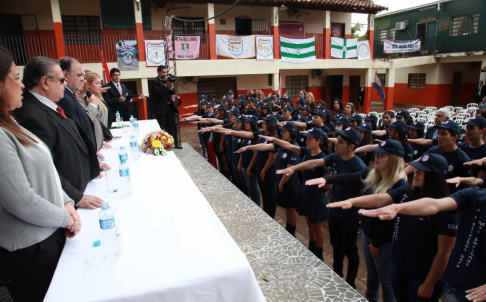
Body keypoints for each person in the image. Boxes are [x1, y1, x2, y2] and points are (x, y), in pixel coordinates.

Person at [0, 48, 82, 302]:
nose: (21, 85)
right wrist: (65, 218)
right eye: (15, 78)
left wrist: (67, 202)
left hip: (49, 233)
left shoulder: (10, 122)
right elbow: (20, 199)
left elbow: (47, 173)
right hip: (31, 248)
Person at [339, 154, 459, 301]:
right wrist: (352, 201)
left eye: (422, 171)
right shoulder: (409, 191)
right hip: (399, 265)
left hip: (421, 275)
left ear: (435, 176)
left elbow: (444, 253)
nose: (416, 172)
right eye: (416, 169)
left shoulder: (445, 209)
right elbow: (382, 198)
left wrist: (429, 284)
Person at [310, 139, 408, 302]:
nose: (376, 157)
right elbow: (351, 177)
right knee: (372, 276)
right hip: (369, 234)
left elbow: (387, 213)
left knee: (386, 281)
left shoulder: (400, 183)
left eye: (382, 155)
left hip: (383, 241)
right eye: (376, 154)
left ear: (394, 159)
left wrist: (376, 242)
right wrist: (327, 180)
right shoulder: (374, 174)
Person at [277, 127, 366, 288]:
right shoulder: (337, 157)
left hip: (350, 216)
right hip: (335, 212)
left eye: (340, 142)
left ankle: (350, 284)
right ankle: (337, 277)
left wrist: (361, 215)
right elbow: (316, 162)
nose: (335, 143)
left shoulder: (358, 166)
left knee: (350, 249)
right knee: (336, 247)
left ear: (351, 146)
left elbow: (363, 193)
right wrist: (294, 167)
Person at [14, 56, 104, 209]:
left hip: (80, 187)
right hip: (68, 201)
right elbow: (45, 167)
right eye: (62, 80)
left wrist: (90, 163)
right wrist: (75, 197)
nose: (65, 84)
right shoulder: (31, 115)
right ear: (45, 82)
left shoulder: (48, 105)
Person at [149, 65, 181, 149]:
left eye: (166, 72)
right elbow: (157, 93)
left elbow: (172, 92)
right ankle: (162, 144)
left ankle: (175, 143)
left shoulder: (167, 81)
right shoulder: (154, 81)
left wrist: (170, 86)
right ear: (158, 72)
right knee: (162, 127)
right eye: (163, 72)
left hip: (169, 107)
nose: (165, 74)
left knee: (172, 126)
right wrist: (164, 83)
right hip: (161, 108)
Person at [80, 72, 111, 150]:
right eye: (97, 83)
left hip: (103, 138)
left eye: (100, 83)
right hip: (99, 141)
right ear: (88, 85)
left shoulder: (97, 97)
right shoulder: (88, 99)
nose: (100, 85)